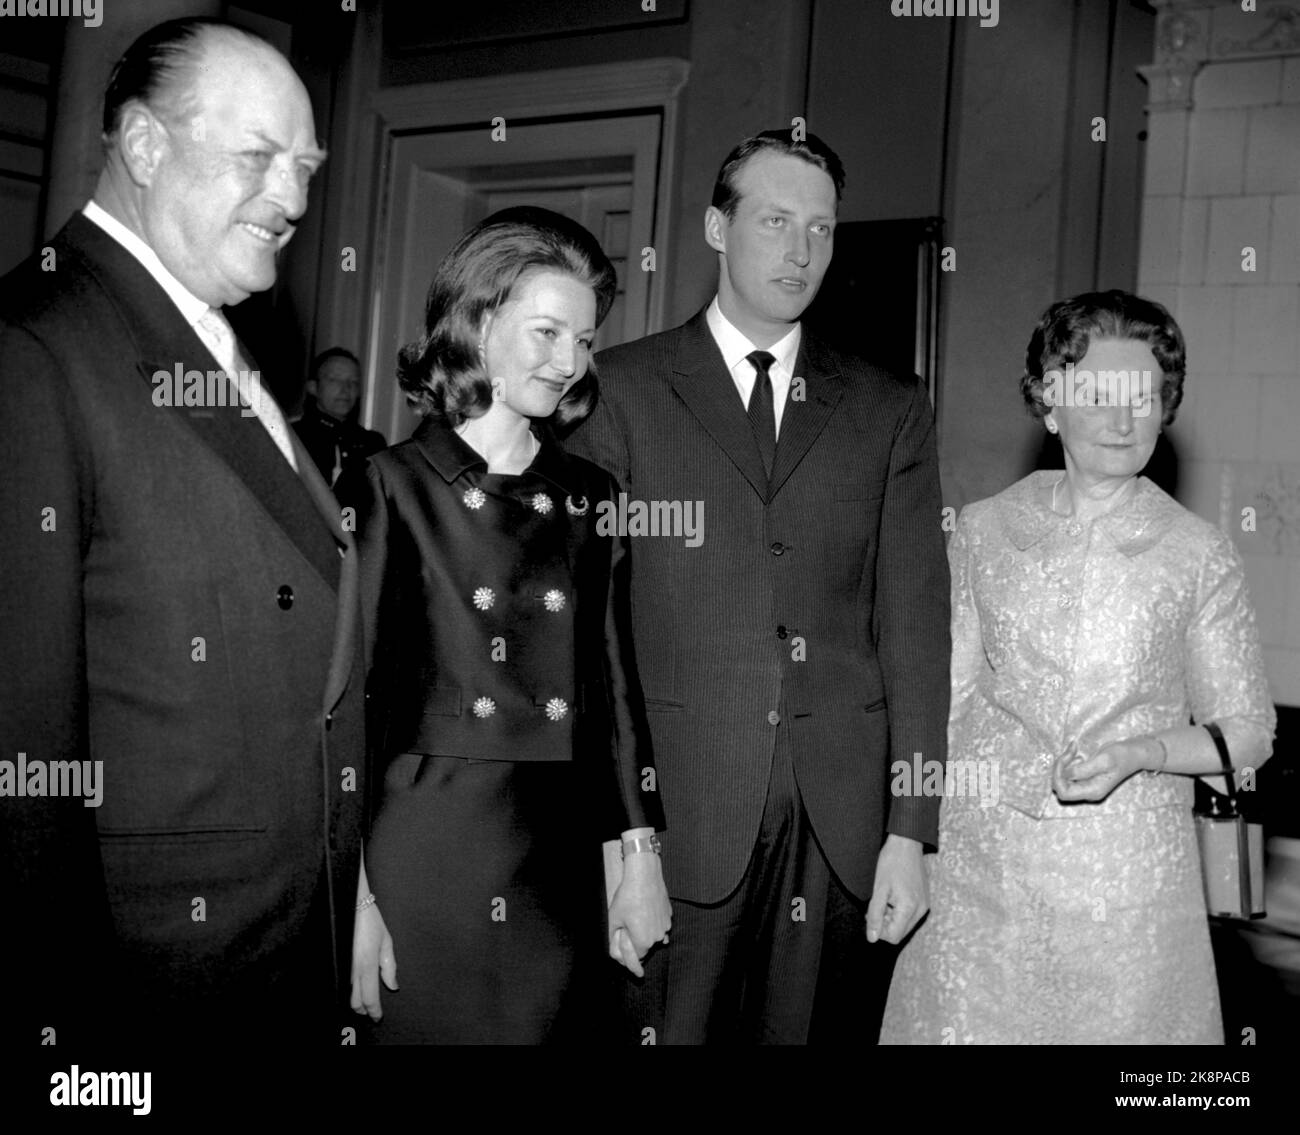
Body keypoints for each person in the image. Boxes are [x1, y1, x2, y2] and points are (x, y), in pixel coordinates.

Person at [0, 18, 365, 1046]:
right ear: (146, 146)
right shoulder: (36, 347)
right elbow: (22, 755)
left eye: (304, 165)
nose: (293, 199)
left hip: (278, 941)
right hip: (151, 980)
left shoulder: (206, 330)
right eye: (257, 158)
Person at [565, 129, 951, 1044]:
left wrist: (912, 828)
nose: (801, 248)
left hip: (843, 826)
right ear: (714, 227)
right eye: (775, 220)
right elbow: (591, 637)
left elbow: (916, 627)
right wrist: (625, 837)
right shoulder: (617, 390)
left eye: (820, 227)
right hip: (678, 817)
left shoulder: (888, 405)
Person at [880, 290, 1277, 1044]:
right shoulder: (985, 529)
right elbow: (945, 703)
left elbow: (1249, 733)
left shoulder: (1196, 553)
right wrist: (912, 843)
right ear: (1050, 403)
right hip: (981, 881)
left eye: (1146, 398)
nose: (1124, 420)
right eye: (1098, 394)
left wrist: (1143, 752)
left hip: (1127, 890)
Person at [346, 207, 670, 1044]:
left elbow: (614, 682)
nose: (569, 363)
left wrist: (640, 857)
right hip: (427, 844)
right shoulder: (391, 484)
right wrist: (352, 896)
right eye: (547, 331)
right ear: (481, 323)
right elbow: (353, 703)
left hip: (555, 853)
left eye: (587, 340)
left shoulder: (593, 494)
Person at [294, 347, 387, 491]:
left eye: (354, 382)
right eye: (334, 379)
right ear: (313, 387)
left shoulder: (372, 444)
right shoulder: (294, 437)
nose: (345, 389)